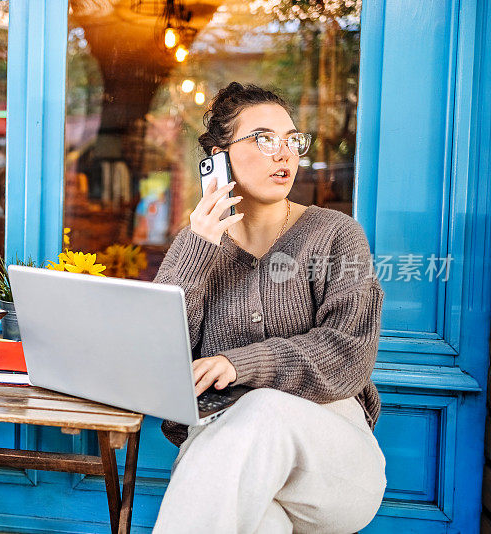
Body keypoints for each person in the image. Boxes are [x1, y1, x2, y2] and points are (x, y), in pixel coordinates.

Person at [152, 82, 386, 533]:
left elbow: (349, 354)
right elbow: (160, 355)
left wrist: (237, 365)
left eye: (291, 140)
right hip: (224, 458)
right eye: (264, 138)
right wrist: (198, 244)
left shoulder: (336, 235)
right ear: (218, 157)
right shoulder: (197, 249)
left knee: (263, 408)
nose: (284, 154)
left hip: (329, 465)